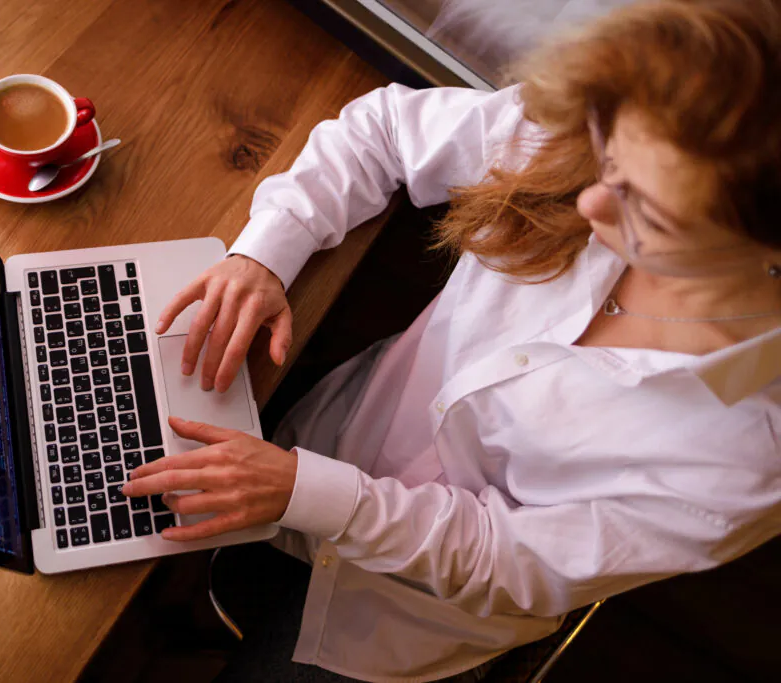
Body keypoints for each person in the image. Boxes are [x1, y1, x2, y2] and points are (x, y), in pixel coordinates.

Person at [121, 0, 781, 680]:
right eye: (609, 159)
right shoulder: (633, 132)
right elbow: (382, 131)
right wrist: (264, 253)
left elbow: (509, 559)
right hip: (317, 436)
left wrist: (308, 492)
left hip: (396, 621)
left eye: (650, 213)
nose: (591, 203)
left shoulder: (752, 455)